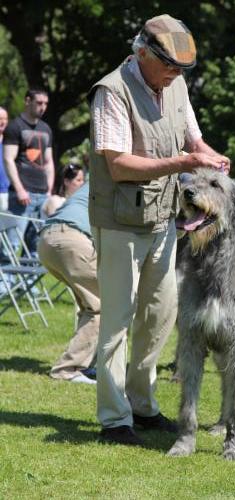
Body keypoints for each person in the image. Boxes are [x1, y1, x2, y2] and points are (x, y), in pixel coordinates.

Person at [88, 14, 231, 446]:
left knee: (159, 316)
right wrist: (183, 165)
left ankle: (143, 406)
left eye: (181, 69)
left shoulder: (177, 86)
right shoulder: (111, 91)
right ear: (143, 52)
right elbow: (118, 164)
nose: (175, 74)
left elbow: (193, 140)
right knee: (116, 320)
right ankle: (114, 420)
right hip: (118, 223)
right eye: (169, 65)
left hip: (164, 220)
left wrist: (211, 158)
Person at [38, 182, 99, 384]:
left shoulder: (95, 177)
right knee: (103, 305)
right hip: (73, 238)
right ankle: (68, 369)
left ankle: (86, 364)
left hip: (47, 239)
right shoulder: (118, 176)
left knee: (88, 304)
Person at [3, 88, 55, 256]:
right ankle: (5, 283)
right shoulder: (15, 126)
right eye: (39, 103)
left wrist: (48, 191)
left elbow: (48, 162)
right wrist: (19, 189)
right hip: (22, 196)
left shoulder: (46, 128)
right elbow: (8, 159)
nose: (43, 107)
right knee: (11, 246)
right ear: (27, 101)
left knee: (36, 249)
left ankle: (28, 283)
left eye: (46, 104)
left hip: (42, 196)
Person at [0, 106, 9, 212]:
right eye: (0, 119)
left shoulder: (11, 141)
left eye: (5, 119)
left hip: (6, 192)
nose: (3, 122)